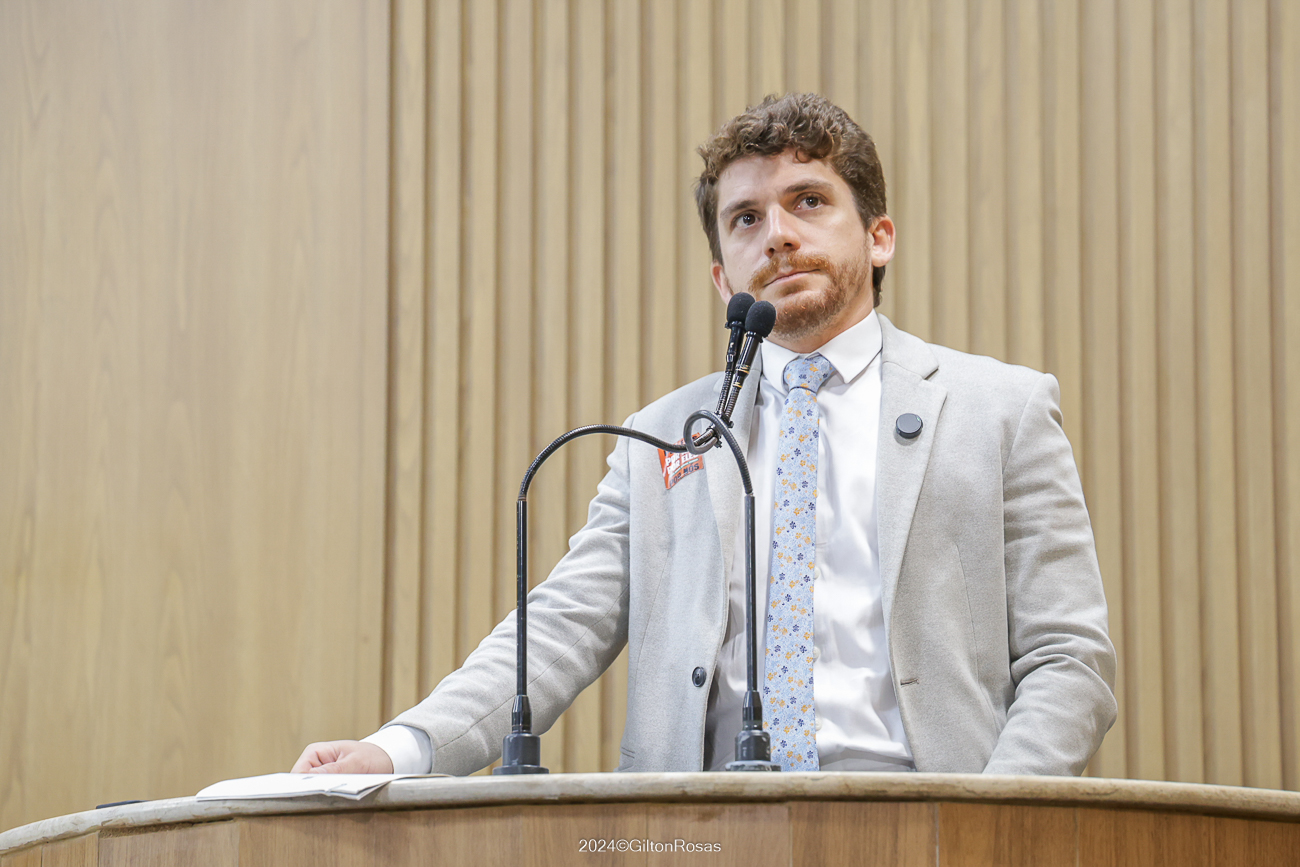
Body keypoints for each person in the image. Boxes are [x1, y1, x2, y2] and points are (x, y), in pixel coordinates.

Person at [292, 93, 1116, 777]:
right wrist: (399, 748)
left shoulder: (1000, 410)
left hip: (927, 824)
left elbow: (1069, 657)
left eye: (809, 201)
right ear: (723, 277)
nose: (779, 234)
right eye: (746, 218)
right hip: (699, 832)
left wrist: (991, 824)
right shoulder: (659, 437)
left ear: (879, 236)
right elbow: (562, 623)